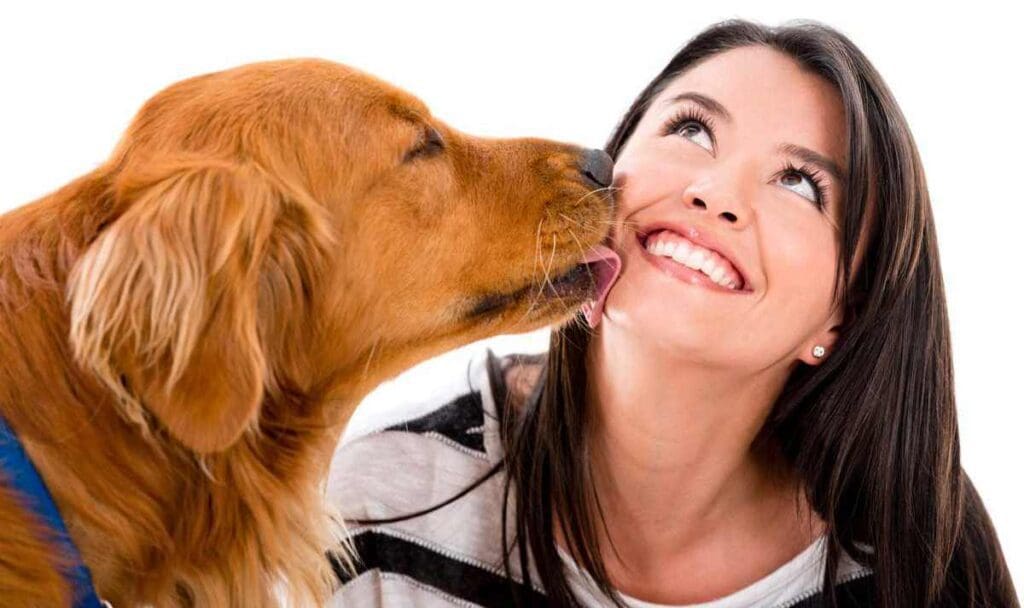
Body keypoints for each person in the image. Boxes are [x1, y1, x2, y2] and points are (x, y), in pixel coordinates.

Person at [325, 18, 1019, 608]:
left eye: (801, 184)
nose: (716, 192)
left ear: (842, 316)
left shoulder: (917, 567)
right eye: (691, 129)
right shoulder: (385, 505)